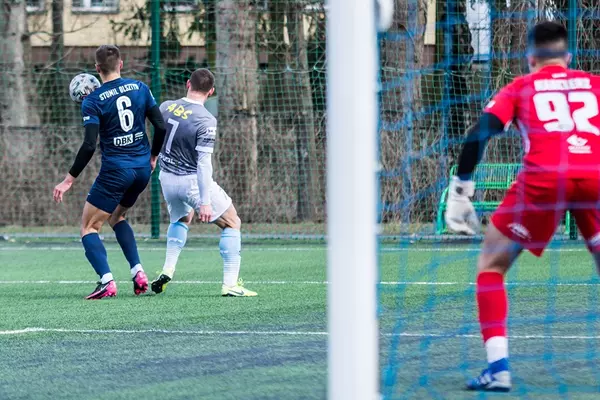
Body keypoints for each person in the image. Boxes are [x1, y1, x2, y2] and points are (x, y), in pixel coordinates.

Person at [445, 21, 600, 391]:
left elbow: (479, 133)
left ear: (530, 58)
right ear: (568, 57)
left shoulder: (520, 87)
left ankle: (498, 370)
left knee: (491, 266)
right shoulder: (594, 84)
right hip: (595, 175)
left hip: (544, 180)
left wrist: (461, 190)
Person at [53, 45, 167, 300]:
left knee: (88, 227)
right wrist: (153, 156)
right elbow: (160, 127)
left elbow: (89, 145)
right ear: (121, 64)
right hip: (141, 169)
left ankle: (107, 282)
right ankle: (138, 272)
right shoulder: (140, 88)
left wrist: (69, 179)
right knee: (117, 217)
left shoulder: (93, 100)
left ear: (97, 69)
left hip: (116, 171)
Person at [151, 68, 257, 297]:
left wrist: (153, 157)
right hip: (190, 182)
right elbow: (203, 163)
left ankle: (168, 269)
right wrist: (205, 201)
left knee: (182, 218)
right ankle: (230, 284)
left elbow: (158, 135)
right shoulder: (206, 120)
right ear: (211, 92)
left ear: (188, 84)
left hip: (166, 179)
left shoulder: (166, 106)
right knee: (232, 222)